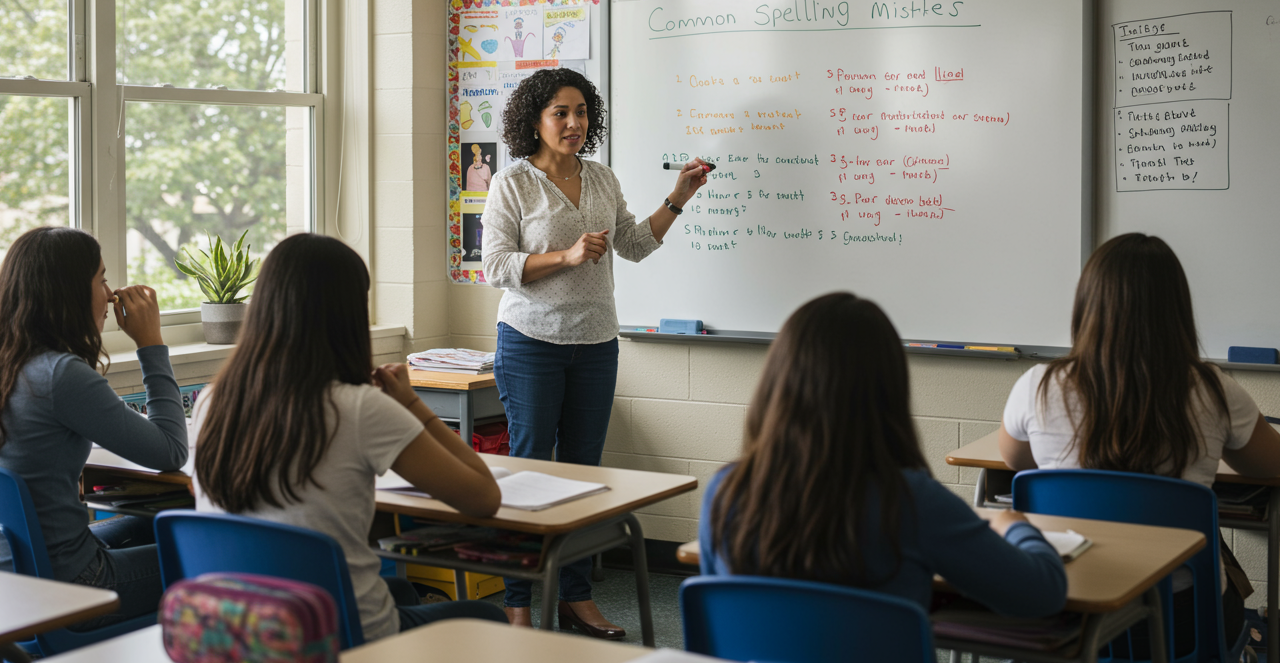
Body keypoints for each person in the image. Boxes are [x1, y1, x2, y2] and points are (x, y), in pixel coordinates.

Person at [482, 67, 709, 636]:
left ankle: (574, 598)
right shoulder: (513, 183)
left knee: (582, 475)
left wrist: (677, 198)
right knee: (530, 473)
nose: (574, 123)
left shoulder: (602, 179)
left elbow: (632, 245)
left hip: (595, 342)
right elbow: (496, 268)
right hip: (531, 343)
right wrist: (565, 255)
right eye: (561, 112)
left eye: (581, 112)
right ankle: (517, 603)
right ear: (535, 119)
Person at [192, 233, 508, 642]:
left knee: (400, 589)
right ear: (348, 314)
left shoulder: (212, 400)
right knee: (487, 618)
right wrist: (411, 404)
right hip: (334, 632)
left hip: (236, 626)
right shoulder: (358, 407)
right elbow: (483, 497)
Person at [701, 292, 1067, 621]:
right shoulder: (910, 501)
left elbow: (715, 615)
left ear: (778, 384)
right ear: (888, 390)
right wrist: (1015, 525)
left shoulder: (726, 491)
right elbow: (1043, 594)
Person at [999, 232, 1280, 654]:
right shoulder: (1213, 390)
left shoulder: (1038, 386)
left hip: (1072, 610)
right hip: (1184, 620)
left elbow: (1015, 458)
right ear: (1177, 310)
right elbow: (1270, 464)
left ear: (1087, 306)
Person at [0, 227, 188, 629]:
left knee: (157, 521)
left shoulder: (14, 362)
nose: (110, 294)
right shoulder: (59, 375)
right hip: (74, 584)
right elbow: (172, 451)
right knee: (215, 554)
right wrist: (151, 344)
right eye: (101, 279)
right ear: (69, 292)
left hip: (15, 573)